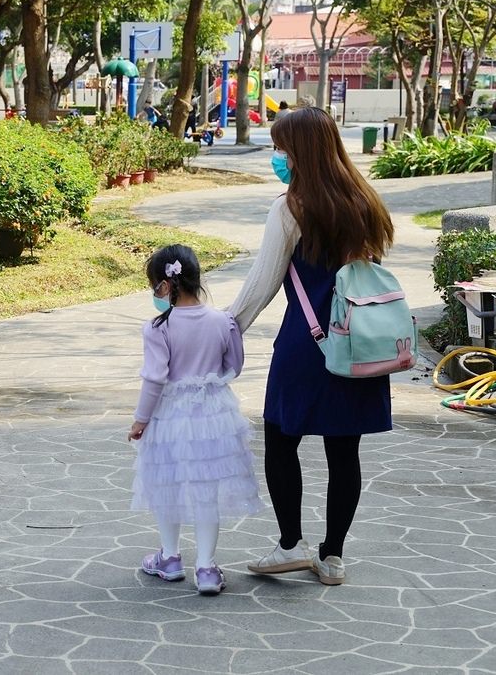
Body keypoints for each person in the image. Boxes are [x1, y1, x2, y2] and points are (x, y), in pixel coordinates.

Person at [228, 107, 395, 586]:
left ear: (300, 152)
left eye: (281, 148)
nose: (277, 156)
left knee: (282, 439)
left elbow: (263, 282)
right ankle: (333, 557)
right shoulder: (365, 202)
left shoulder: (290, 207)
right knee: (346, 451)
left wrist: (228, 327)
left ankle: (289, 545)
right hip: (360, 341)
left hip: (308, 343)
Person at [128, 244, 263, 596]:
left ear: (163, 285)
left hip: (170, 415)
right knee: (207, 490)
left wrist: (140, 420)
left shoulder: (159, 327)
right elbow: (234, 365)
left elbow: (155, 378)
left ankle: (170, 559)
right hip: (214, 416)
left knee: (166, 484)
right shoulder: (224, 321)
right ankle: (205, 567)